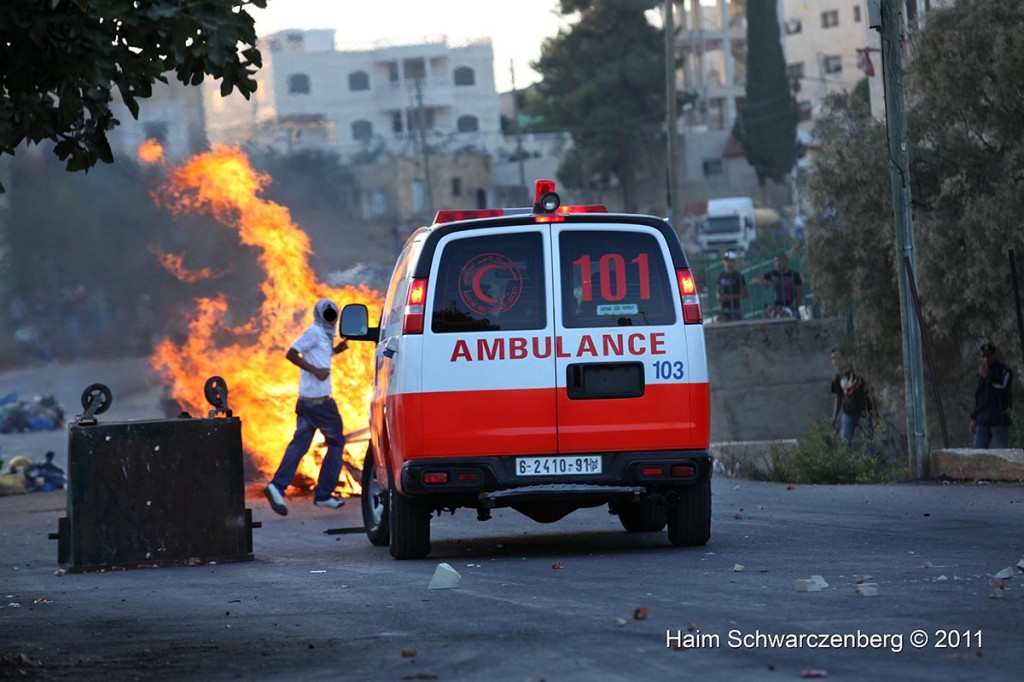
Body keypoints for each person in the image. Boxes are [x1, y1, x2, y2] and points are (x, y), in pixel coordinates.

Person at [264, 298, 349, 515]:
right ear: (320, 315)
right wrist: (315, 371)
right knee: (337, 442)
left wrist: (336, 350)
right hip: (320, 404)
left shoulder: (323, 336)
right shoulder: (313, 333)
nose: (331, 318)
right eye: (328, 314)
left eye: (333, 314)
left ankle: (277, 486)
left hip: (307, 403)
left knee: (300, 444)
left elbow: (319, 356)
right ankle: (323, 494)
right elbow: (291, 354)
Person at [970, 342, 1013, 448]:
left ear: (994, 355)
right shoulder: (981, 373)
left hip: (998, 419)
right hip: (983, 419)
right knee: (978, 452)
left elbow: (1002, 389)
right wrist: (974, 417)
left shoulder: (1004, 371)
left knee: (1002, 451)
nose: (986, 359)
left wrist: (987, 377)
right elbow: (979, 396)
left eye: (988, 356)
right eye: (983, 356)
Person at [830, 348, 877, 446]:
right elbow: (838, 398)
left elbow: (870, 391)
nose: (835, 361)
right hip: (848, 413)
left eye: (837, 358)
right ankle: (847, 462)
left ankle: (872, 461)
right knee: (844, 444)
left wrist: (874, 409)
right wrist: (835, 417)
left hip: (864, 413)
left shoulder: (857, 372)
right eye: (833, 358)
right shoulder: (837, 377)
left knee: (869, 444)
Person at [716, 251, 748, 322]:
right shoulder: (721, 275)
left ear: (734, 262)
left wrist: (730, 297)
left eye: (730, 261)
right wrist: (719, 296)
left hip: (735, 308)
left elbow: (745, 295)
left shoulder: (739, 276)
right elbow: (717, 290)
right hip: (724, 308)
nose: (728, 263)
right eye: (726, 261)